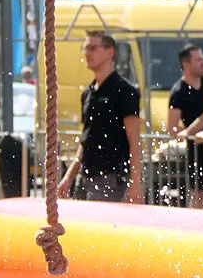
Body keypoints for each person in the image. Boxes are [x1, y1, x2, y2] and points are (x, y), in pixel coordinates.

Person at [59, 31, 143, 203]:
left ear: (109, 52)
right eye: (85, 48)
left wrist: (135, 183)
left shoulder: (125, 91)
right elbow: (86, 139)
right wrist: (69, 177)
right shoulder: (88, 93)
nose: (87, 53)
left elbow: (134, 139)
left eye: (92, 48)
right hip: (86, 174)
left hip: (111, 175)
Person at [167, 44, 203, 208]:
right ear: (186, 64)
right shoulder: (178, 91)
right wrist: (188, 135)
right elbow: (172, 127)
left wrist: (200, 131)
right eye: (198, 59)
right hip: (195, 149)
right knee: (198, 191)